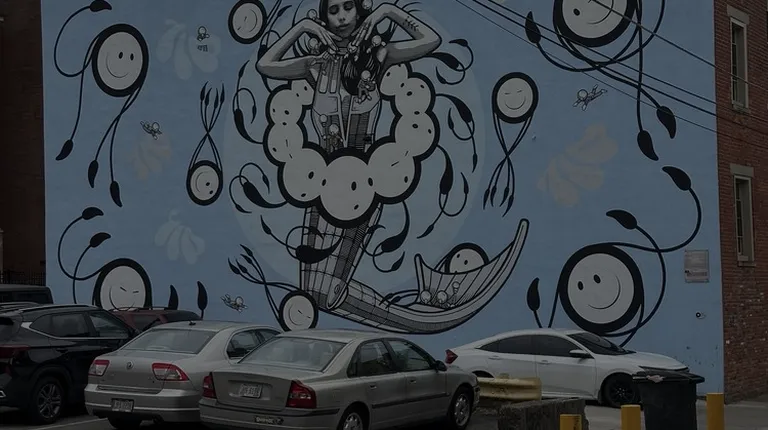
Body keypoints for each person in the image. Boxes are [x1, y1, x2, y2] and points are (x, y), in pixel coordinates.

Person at [256, 0, 441, 311]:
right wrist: (303, 27)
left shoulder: (377, 56)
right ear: (324, 18)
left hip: (365, 186)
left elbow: (431, 40)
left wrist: (386, 10)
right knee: (311, 288)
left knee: (331, 290)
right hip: (322, 187)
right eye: (333, 11)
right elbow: (265, 65)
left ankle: (390, 313)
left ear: (359, 11)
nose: (342, 17)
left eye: (348, 8)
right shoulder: (315, 65)